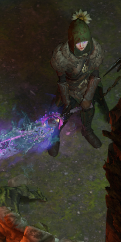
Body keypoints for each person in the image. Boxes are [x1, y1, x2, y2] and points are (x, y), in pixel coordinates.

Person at [48, 11, 107, 157]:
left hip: (85, 85)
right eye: (78, 42)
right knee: (62, 114)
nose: (81, 46)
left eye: (84, 42)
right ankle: (54, 137)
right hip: (69, 87)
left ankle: (87, 130)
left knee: (89, 109)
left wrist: (87, 97)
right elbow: (61, 80)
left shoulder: (94, 50)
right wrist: (66, 100)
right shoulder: (63, 55)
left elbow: (95, 75)